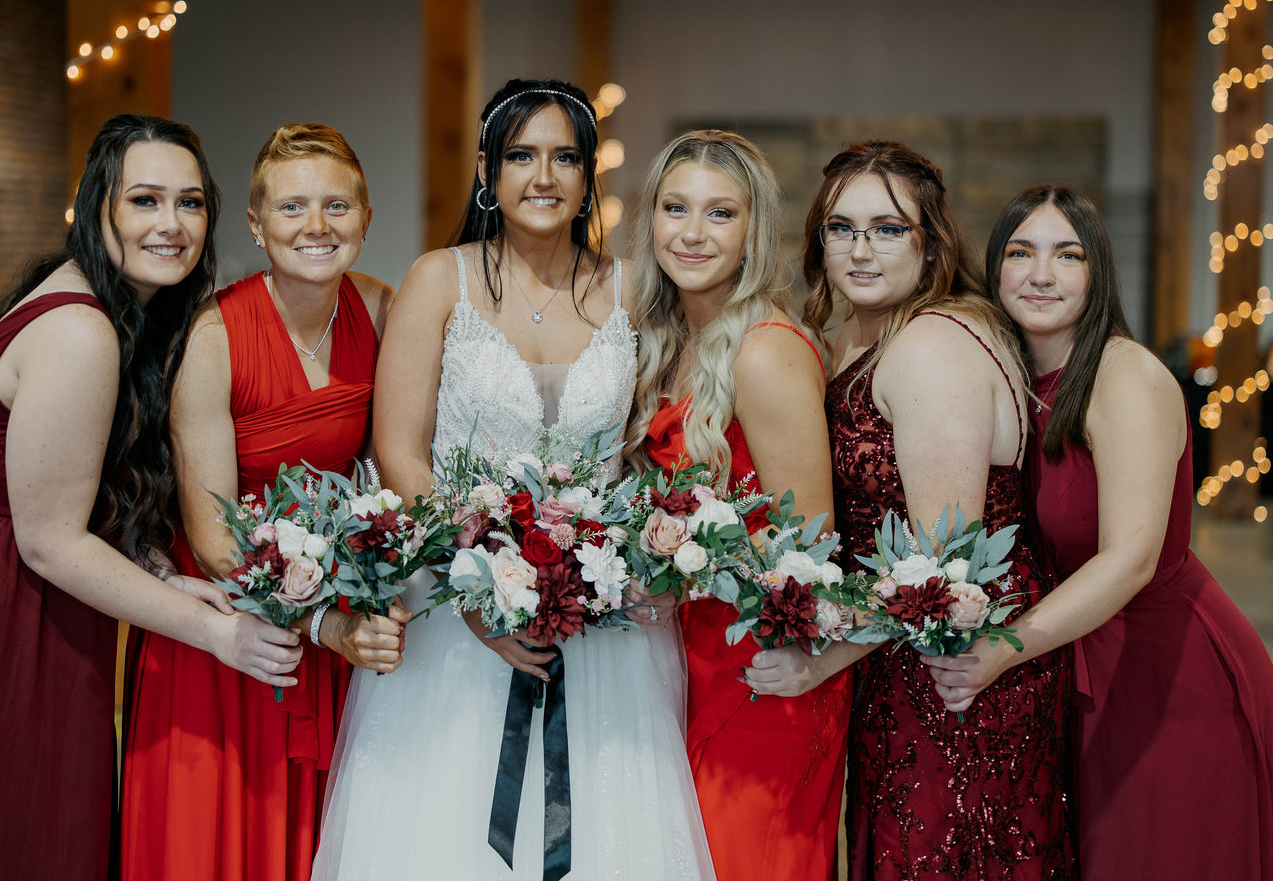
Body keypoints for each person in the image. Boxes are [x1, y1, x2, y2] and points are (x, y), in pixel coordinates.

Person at [0, 113, 304, 881]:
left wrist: (161, 569)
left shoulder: (111, 300)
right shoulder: (80, 331)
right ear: (100, 208)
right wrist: (213, 631)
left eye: (190, 203)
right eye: (144, 200)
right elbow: (51, 538)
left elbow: (93, 492)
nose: (172, 224)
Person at [313, 79, 713, 880]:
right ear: (488, 172)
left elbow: (656, 448)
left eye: (566, 156)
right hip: (454, 623)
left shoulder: (632, 287)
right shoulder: (439, 279)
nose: (543, 176)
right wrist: (477, 590)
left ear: (587, 175)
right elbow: (400, 450)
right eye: (522, 155)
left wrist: (644, 556)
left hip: (605, 630)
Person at [923, 185, 1273, 880]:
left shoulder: (1125, 376)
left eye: (1067, 254)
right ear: (993, 268)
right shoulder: (1014, 379)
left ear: (1097, 273)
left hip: (1170, 676)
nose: (1040, 273)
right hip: (1083, 659)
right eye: (1020, 252)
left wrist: (998, 652)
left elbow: (1127, 560)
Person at [120, 124, 400, 881]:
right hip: (233, 618)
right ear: (255, 223)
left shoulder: (382, 311)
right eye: (292, 208)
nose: (317, 226)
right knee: (219, 838)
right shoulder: (212, 336)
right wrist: (320, 620)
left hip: (336, 611)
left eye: (337, 206)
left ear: (367, 217)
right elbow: (213, 537)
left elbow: (402, 463)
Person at [796, 142, 1073, 879]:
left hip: (952, 675)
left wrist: (812, 666)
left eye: (887, 229)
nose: (860, 249)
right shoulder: (890, 333)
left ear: (929, 248)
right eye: (840, 227)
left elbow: (941, 574)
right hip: (913, 663)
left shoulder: (927, 347)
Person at [624, 130, 851, 881]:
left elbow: (812, 546)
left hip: (763, 669)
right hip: (682, 659)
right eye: (674, 208)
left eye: (720, 213)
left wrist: (800, 659)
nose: (691, 233)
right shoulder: (662, 341)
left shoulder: (764, 349)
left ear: (753, 230)